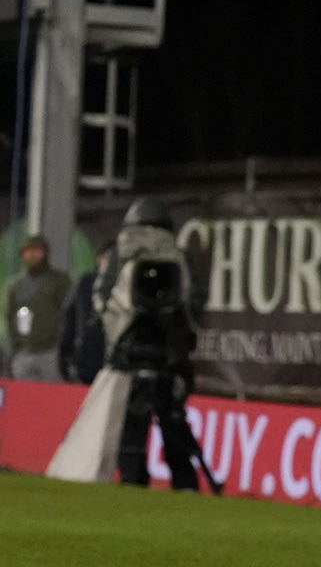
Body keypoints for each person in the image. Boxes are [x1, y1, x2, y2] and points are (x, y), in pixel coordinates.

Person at [95, 196, 200, 490]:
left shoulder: (119, 256)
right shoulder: (179, 259)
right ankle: (185, 483)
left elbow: (102, 300)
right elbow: (193, 302)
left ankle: (132, 478)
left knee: (130, 425)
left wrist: (121, 324)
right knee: (172, 422)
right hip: (166, 352)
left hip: (132, 352)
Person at [4, 234, 72, 381]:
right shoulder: (16, 285)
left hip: (51, 351)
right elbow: (9, 316)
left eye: (36, 250)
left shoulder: (59, 281)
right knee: (25, 392)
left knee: (53, 392)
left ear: (45, 253)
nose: (32, 255)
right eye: (28, 251)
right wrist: (15, 345)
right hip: (23, 352)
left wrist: (63, 345)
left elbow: (68, 314)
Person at [58, 241, 113, 384]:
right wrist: (65, 354)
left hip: (114, 361)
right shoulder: (85, 283)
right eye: (106, 258)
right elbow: (70, 318)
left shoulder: (126, 286)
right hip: (87, 360)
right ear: (99, 259)